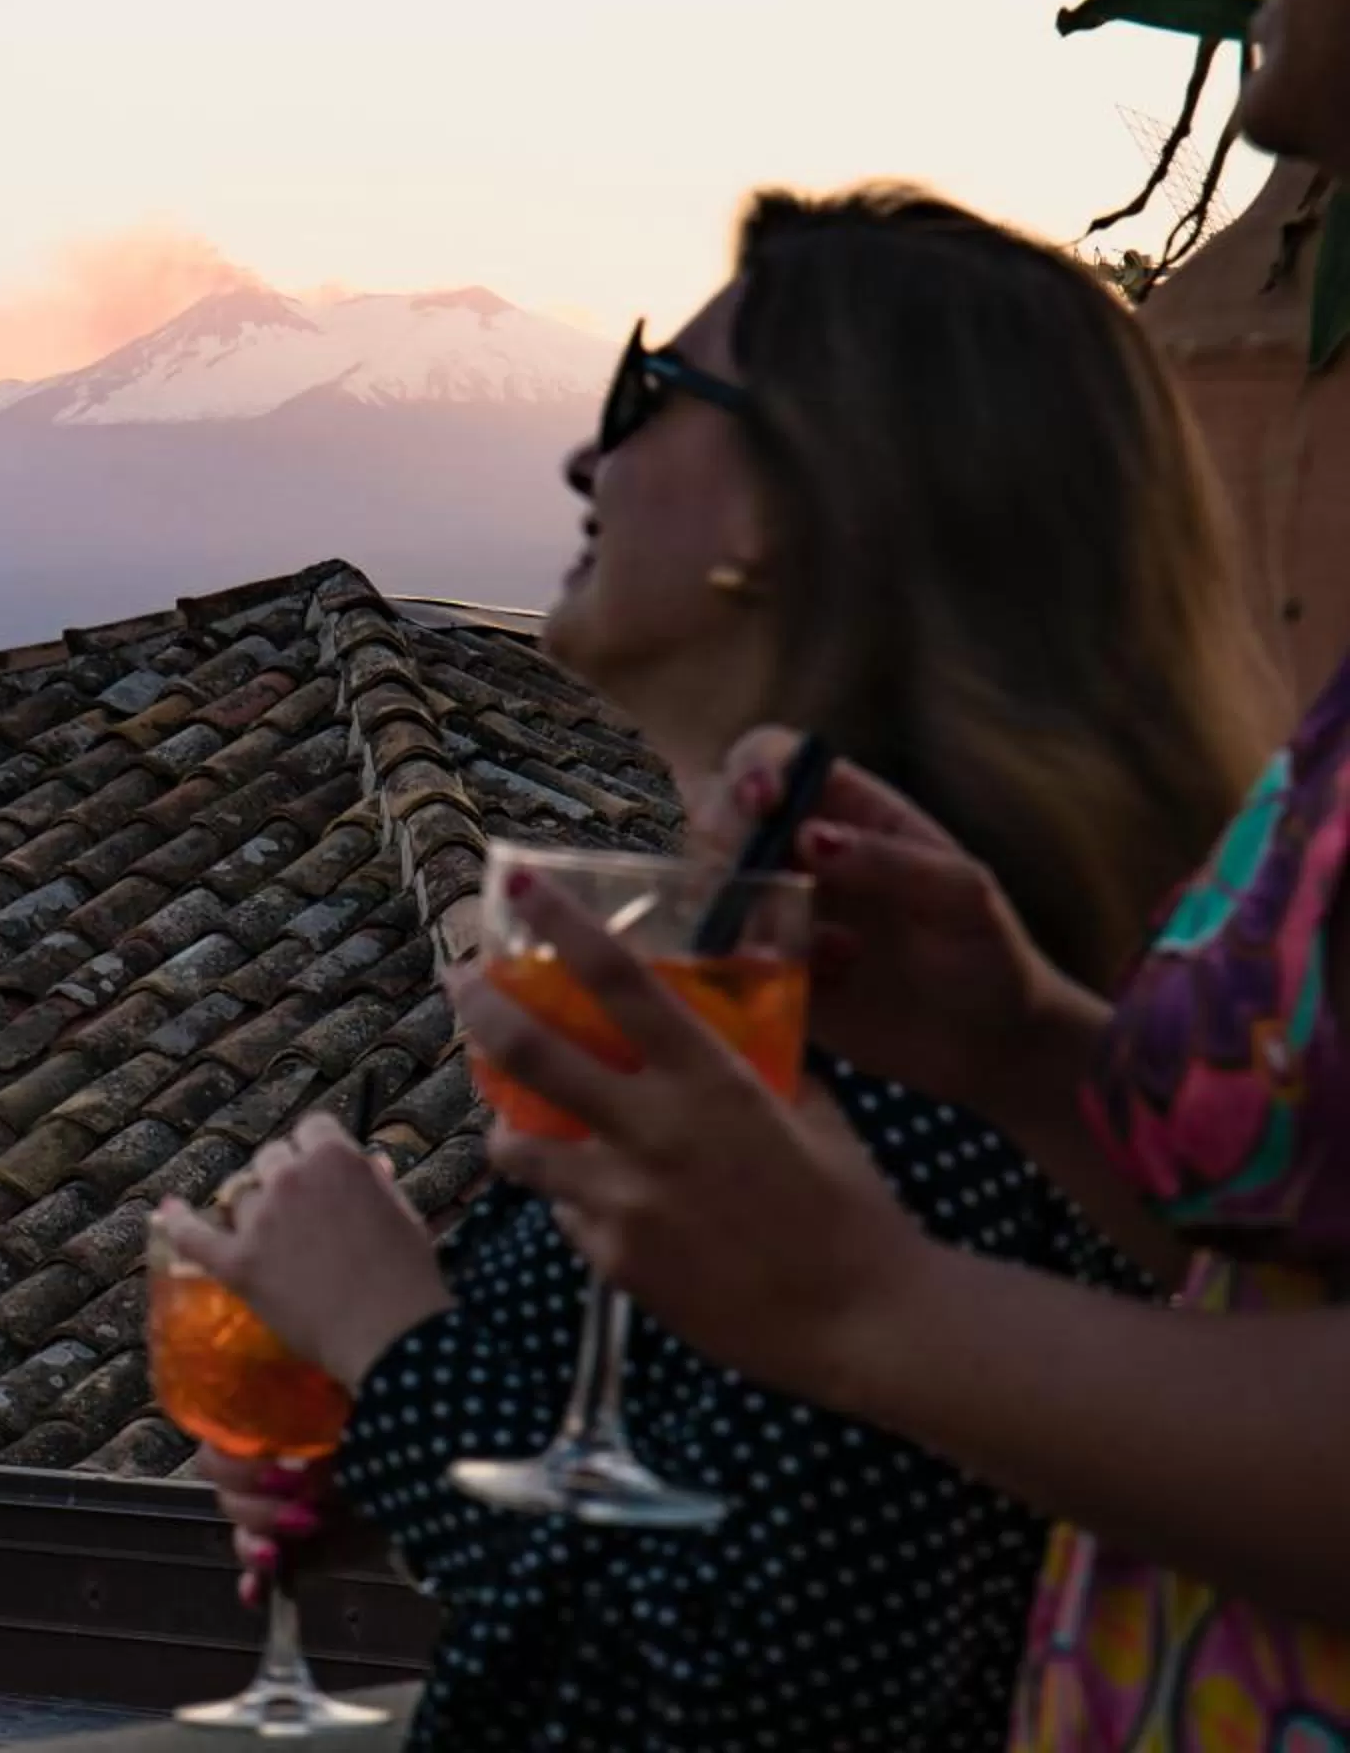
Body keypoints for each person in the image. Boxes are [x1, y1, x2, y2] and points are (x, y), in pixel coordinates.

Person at [437, 0, 1350, 1748]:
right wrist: (1041, 1055)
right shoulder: (918, 1007)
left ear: (829, 494)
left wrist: (864, 1299)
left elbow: (755, 1653)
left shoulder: (867, 1117)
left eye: (649, 387)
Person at [170, 186, 1279, 1749]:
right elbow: (696, 1534)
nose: (583, 456)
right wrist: (402, 1441)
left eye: (644, 392)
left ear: (797, 500)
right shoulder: (894, 1000)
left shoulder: (893, 1072)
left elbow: (744, 1687)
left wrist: (395, 1358)